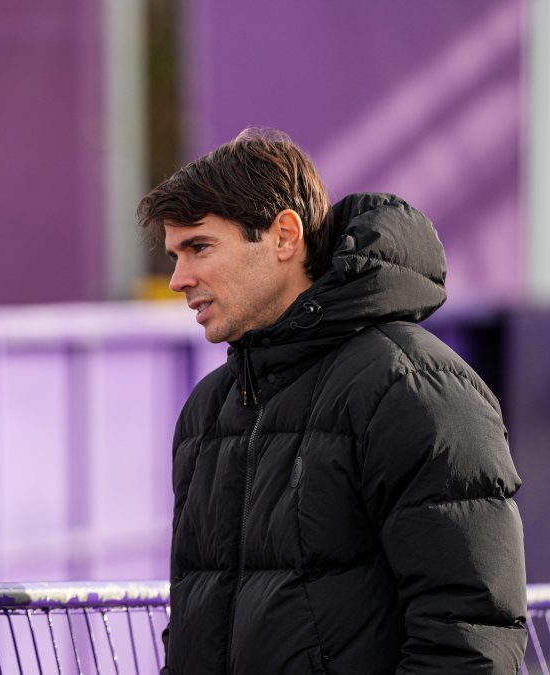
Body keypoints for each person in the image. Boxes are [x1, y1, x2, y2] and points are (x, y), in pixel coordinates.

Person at [137, 128, 526, 673]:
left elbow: (469, 634)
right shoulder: (209, 409)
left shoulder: (411, 387)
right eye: (174, 255)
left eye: (199, 247)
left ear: (284, 236)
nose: (178, 279)